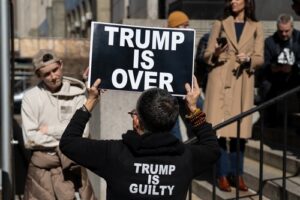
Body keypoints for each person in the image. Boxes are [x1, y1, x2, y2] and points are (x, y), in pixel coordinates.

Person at [59, 76, 220, 200]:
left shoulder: (114, 153)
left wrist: (91, 100)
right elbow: (212, 146)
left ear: (136, 121)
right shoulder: (186, 158)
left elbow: (68, 142)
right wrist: (193, 108)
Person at [203, 0, 264, 192]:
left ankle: (237, 175)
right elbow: (206, 55)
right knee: (220, 132)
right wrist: (217, 53)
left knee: (239, 134)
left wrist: (249, 59)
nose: (233, 2)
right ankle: (222, 175)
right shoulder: (220, 23)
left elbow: (260, 57)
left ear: (247, 2)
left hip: (242, 81)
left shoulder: (256, 26)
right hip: (220, 79)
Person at [21, 49, 96, 199]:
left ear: (61, 65)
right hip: (41, 171)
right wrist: (68, 138)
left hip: (72, 166)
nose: (53, 76)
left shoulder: (77, 93)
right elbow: (30, 139)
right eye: (46, 74)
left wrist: (49, 130)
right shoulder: (31, 98)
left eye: (55, 70)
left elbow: (84, 133)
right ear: (39, 76)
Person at [167, 10, 204, 139]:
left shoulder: (189, 42)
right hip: (169, 91)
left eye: (187, 25)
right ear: (174, 28)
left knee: (197, 120)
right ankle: (178, 156)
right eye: (183, 26)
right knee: (173, 129)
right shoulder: (164, 44)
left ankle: (196, 148)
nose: (187, 28)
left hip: (187, 89)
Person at [259, 13, 300, 126]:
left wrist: (293, 67)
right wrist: (273, 67)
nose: (284, 34)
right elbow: (264, 63)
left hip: (295, 76)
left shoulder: (299, 39)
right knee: (266, 86)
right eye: (281, 31)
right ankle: (270, 120)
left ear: (292, 27)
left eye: (287, 31)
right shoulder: (270, 42)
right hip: (275, 77)